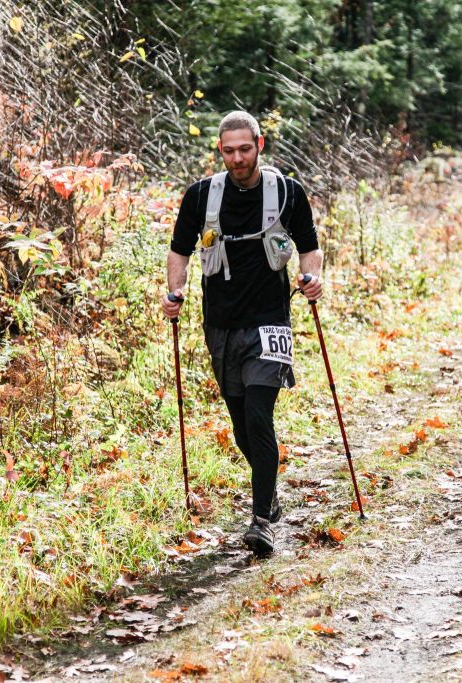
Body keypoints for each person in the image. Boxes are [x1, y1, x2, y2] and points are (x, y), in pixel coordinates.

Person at [161, 111, 323, 557]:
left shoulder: (287, 192)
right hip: (222, 325)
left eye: (245, 149)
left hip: (272, 319)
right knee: (239, 425)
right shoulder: (201, 197)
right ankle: (269, 493)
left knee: (258, 413)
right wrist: (174, 290)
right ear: (220, 150)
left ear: (260, 144)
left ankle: (261, 522)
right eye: (229, 151)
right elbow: (179, 252)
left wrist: (312, 279)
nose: (237, 158)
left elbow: (309, 249)